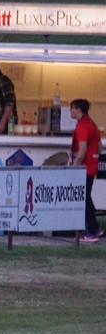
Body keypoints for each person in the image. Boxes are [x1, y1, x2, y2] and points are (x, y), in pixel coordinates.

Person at [69, 98, 102, 242]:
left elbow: (81, 150)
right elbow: (99, 146)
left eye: (72, 108)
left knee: (83, 199)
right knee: (86, 198)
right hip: (91, 166)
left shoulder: (82, 126)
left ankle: (93, 228)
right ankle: (92, 227)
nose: (70, 111)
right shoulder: (92, 124)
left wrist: (74, 167)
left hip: (84, 168)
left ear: (78, 110)